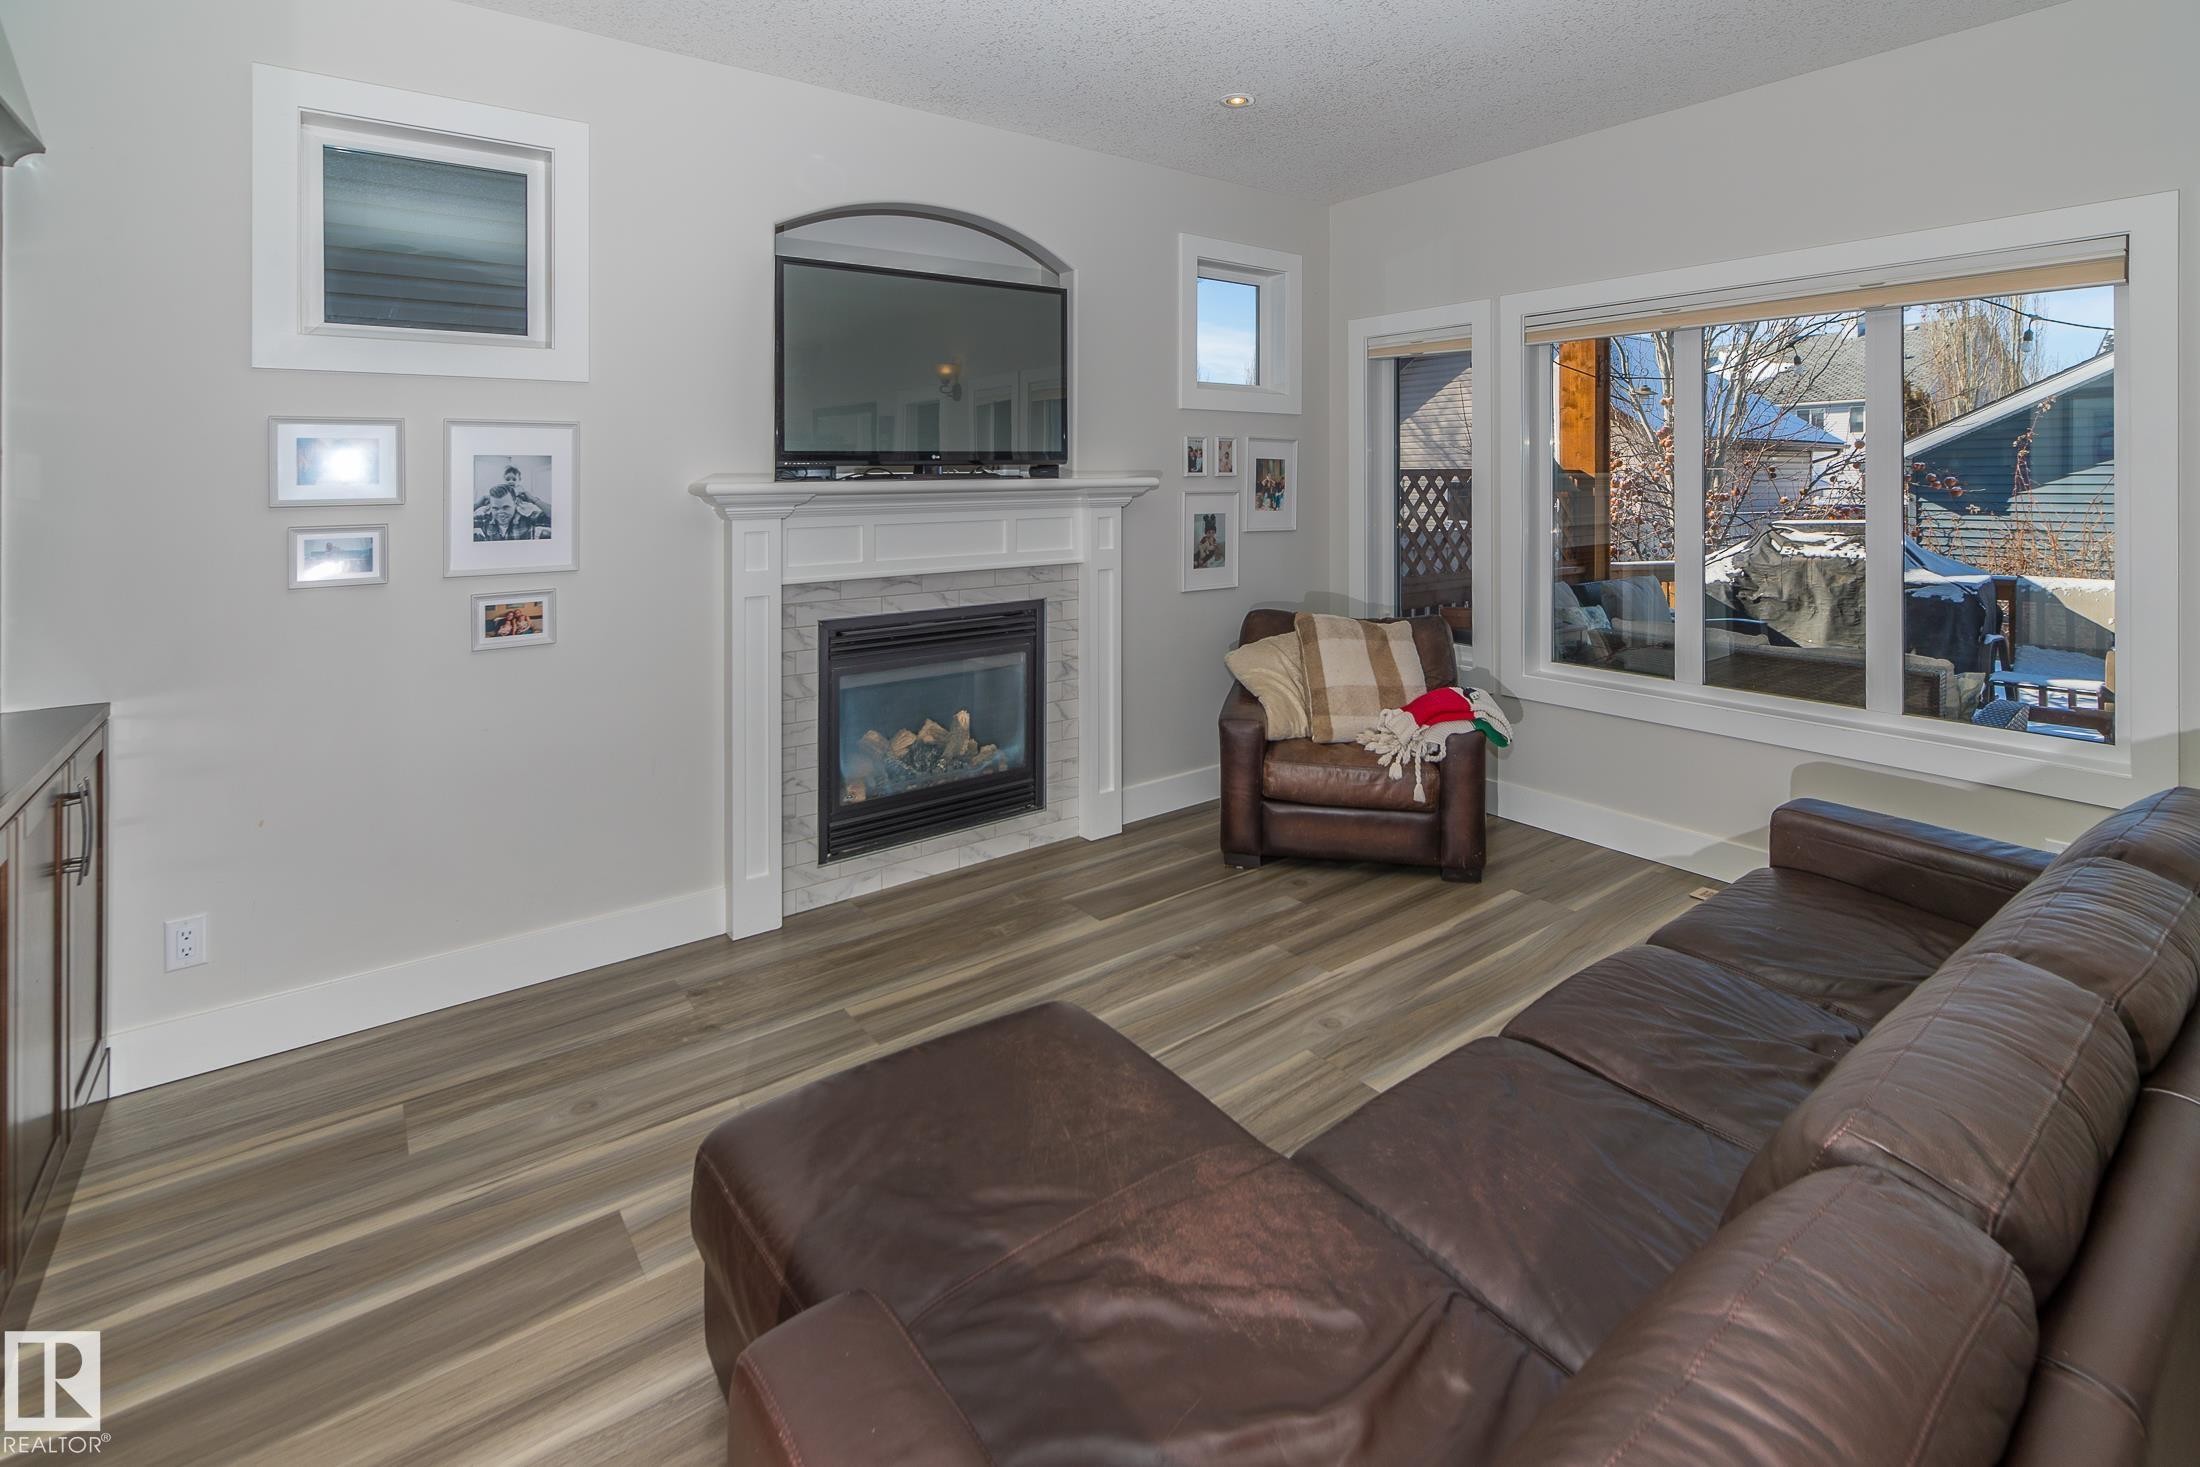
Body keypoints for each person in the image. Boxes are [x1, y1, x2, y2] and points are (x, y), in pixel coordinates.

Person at [473, 465, 553, 541]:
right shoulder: (486, 519)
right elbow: (460, 520)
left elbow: (555, 516)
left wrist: (534, 500)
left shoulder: (528, 518)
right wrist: (478, 504)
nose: (501, 512)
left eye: (506, 507)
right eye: (495, 508)